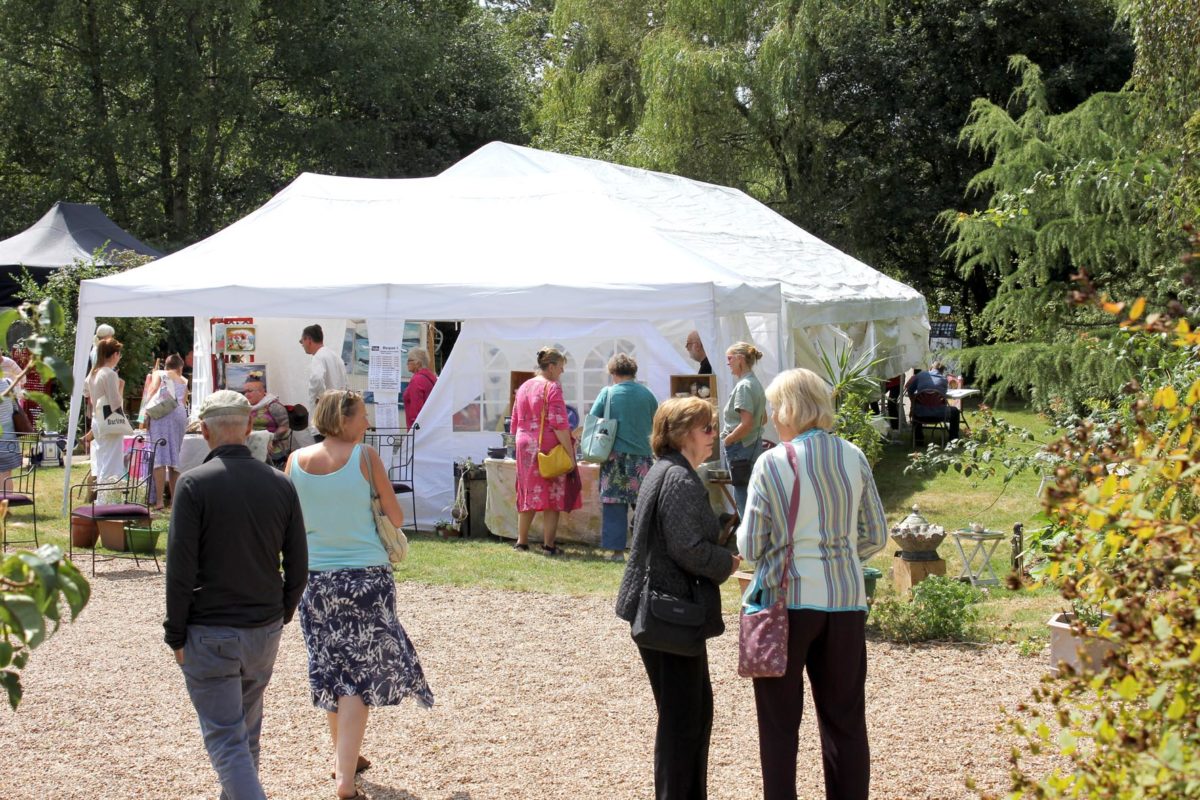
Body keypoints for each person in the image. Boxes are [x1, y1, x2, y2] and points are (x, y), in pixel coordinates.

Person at [736, 368, 888, 800]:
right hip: (845, 600)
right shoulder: (853, 456)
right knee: (845, 721)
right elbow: (875, 533)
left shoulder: (773, 461)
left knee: (779, 725)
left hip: (786, 602)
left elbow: (750, 544)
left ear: (787, 409)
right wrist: (838, 555)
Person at [286, 390, 433, 799]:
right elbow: (397, 516)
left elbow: (288, 520)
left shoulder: (295, 461)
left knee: (331, 667)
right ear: (344, 419)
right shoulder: (365, 456)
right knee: (356, 679)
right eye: (362, 417)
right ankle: (345, 780)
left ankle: (344, 756)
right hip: (366, 577)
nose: (366, 424)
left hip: (314, 579)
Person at [164, 390, 308, 800]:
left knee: (228, 741)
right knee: (245, 737)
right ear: (249, 427)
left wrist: (175, 633)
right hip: (262, 629)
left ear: (205, 431)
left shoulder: (193, 486)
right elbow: (298, 565)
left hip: (210, 629)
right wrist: (281, 612)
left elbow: (180, 570)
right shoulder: (280, 485)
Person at [615, 396, 740, 800]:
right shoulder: (680, 478)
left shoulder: (668, 471)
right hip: (670, 614)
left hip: (667, 612)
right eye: (707, 429)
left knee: (691, 714)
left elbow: (677, 537)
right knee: (684, 720)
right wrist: (728, 561)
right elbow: (688, 548)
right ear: (683, 432)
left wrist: (717, 531)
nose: (713, 436)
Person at [510, 347, 579, 555]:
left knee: (527, 492)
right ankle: (549, 545)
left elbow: (514, 423)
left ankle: (521, 542)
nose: (562, 371)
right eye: (561, 367)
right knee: (552, 496)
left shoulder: (524, 387)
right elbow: (559, 424)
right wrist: (569, 452)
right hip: (547, 447)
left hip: (524, 444)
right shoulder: (552, 387)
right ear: (550, 367)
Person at [590, 353, 658, 561]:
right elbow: (657, 421)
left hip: (614, 457)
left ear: (613, 373)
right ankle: (645, 549)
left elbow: (593, 418)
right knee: (644, 506)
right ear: (634, 372)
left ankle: (617, 551)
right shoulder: (647, 394)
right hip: (642, 457)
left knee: (614, 505)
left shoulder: (608, 393)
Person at [721, 341, 767, 516]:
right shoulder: (755, 383)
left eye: (730, 358)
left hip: (740, 448)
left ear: (740, 359)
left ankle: (748, 540)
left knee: (743, 500)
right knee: (752, 496)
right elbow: (763, 419)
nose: (728, 362)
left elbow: (746, 423)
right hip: (753, 445)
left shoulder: (744, 386)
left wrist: (728, 439)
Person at [145, 354, 189, 509]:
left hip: (161, 413)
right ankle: (174, 500)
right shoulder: (183, 380)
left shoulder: (159, 374)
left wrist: (144, 414)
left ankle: (159, 501)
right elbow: (183, 402)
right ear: (180, 367)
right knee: (174, 458)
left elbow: (152, 392)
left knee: (159, 455)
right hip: (179, 415)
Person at [85, 336, 126, 483]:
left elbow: (86, 392)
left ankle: (102, 499)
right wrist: (121, 387)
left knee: (102, 461)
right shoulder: (109, 374)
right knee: (112, 464)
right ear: (115, 354)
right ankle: (107, 501)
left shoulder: (93, 373)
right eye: (119, 354)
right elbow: (116, 403)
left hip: (97, 419)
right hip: (109, 420)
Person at [904, 361, 961, 444]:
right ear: (942, 371)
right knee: (955, 411)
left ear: (930, 368)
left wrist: (913, 402)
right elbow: (942, 395)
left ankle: (918, 439)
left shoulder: (921, 375)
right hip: (939, 415)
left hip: (920, 413)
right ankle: (953, 439)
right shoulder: (944, 380)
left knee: (916, 407)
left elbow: (910, 390)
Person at [242, 375, 291, 468]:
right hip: (250, 448)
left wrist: (269, 439)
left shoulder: (274, 406)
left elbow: (284, 427)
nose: (246, 395)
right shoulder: (244, 407)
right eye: (245, 392)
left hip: (273, 449)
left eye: (250, 391)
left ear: (261, 392)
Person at [300, 324, 349, 409]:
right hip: (338, 408)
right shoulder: (336, 356)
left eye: (302, 341)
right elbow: (346, 383)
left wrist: (320, 398)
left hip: (324, 411)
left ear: (309, 340)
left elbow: (317, 378)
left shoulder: (318, 357)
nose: (302, 345)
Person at [403, 348, 438, 428]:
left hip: (418, 429)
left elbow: (416, 410)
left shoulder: (417, 380)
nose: (407, 363)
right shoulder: (431, 378)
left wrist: (413, 432)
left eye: (409, 360)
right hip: (429, 426)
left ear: (418, 363)